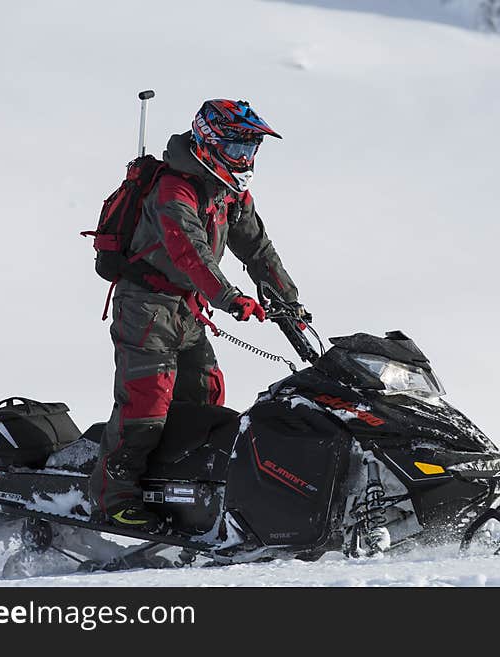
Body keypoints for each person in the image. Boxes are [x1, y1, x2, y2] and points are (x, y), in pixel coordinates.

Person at [89, 99, 307, 532]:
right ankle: (112, 499)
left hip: (187, 308)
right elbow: (190, 252)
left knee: (204, 396)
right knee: (146, 406)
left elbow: (259, 251)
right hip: (146, 307)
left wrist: (290, 303)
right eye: (237, 148)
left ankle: (179, 490)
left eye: (250, 151)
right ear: (208, 142)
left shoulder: (229, 192)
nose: (245, 159)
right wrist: (230, 298)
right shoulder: (175, 189)